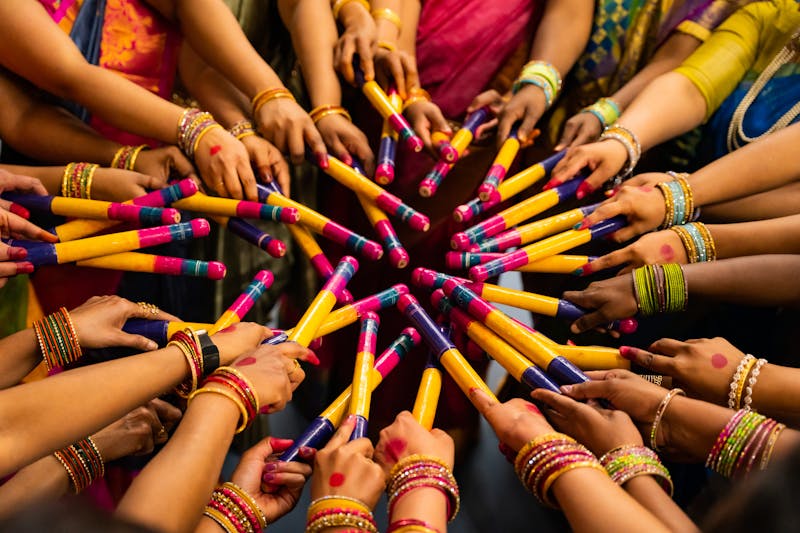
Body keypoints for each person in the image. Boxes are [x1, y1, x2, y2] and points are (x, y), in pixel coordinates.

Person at [547, 0, 800, 196]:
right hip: (665, 206)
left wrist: (685, 196)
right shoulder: (774, 18)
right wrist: (620, 141)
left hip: (728, 239)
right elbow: (691, 86)